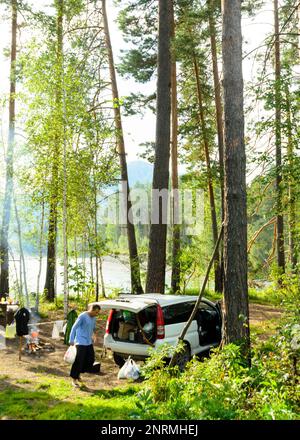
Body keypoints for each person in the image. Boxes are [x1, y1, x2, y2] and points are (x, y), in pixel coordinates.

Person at [69, 304, 101, 388]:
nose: (97, 314)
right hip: (80, 341)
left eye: (98, 312)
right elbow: (74, 327)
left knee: (90, 359)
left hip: (88, 342)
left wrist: (95, 336)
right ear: (91, 309)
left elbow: (93, 328)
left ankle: (78, 374)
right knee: (78, 360)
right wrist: (71, 339)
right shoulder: (82, 316)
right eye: (96, 312)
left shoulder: (93, 318)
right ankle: (74, 379)